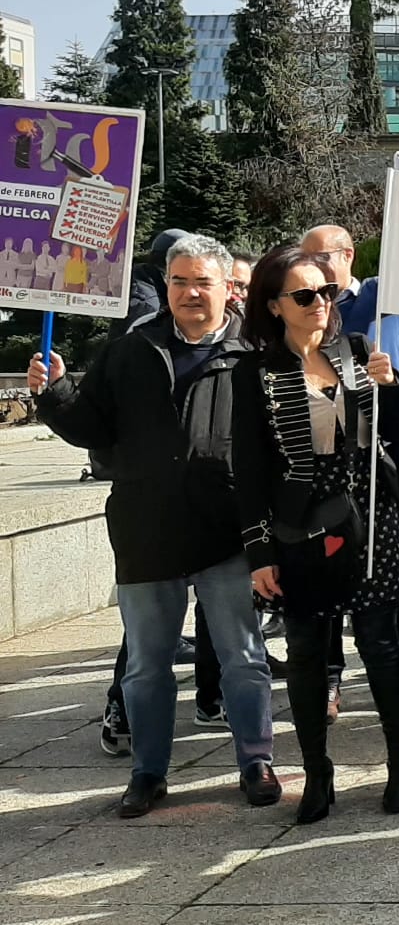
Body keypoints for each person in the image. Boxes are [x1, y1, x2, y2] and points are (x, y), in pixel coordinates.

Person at [29, 234, 279, 819]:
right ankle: (148, 772)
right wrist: (57, 393)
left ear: (226, 287)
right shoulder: (132, 348)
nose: (191, 292)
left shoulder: (256, 352)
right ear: (165, 285)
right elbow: (93, 427)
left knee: (242, 656)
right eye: (179, 281)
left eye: (203, 282)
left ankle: (255, 761)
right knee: (146, 664)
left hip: (228, 532)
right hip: (147, 531)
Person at [234, 246, 399, 825]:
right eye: (305, 295)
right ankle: (317, 773)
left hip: (368, 512)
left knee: (380, 645)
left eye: (327, 292)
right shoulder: (254, 372)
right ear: (274, 304)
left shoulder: (358, 351)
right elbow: (250, 468)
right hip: (300, 522)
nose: (320, 304)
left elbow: (398, 436)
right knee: (308, 652)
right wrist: (259, 551)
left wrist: (392, 388)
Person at [300, 224, 399, 713]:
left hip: (375, 468)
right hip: (323, 476)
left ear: (348, 256)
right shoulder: (305, 311)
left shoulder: (377, 296)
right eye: (302, 256)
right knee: (327, 583)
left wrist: (388, 383)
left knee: (387, 576)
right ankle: (330, 679)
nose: (313, 268)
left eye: (322, 256)